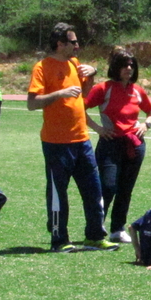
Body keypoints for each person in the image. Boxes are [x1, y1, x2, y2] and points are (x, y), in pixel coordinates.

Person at [27, 22, 117, 253]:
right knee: (59, 194)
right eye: (73, 41)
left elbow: (83, 96)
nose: (78, 46)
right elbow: (32, 103)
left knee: (93, 190)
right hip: (56, 143)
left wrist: (92, 76)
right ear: (60, 44)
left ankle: (95, 236)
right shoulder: (42, 67)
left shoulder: (75, 64)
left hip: (81, 140)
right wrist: (60, 93)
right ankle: (59, 240)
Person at [85, 48, 151, 243]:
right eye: (125, 65)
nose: (129, 68)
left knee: (126, 188)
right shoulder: (103, 89)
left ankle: (118, 229)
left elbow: (150, 111)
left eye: (132, 65)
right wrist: (98, 129)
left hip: (134, 145)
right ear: (115, 67)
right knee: (108, 186)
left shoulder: (137, 90)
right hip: (110, 144)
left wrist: (146, 124)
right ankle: (96, 228)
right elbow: (80, 108)